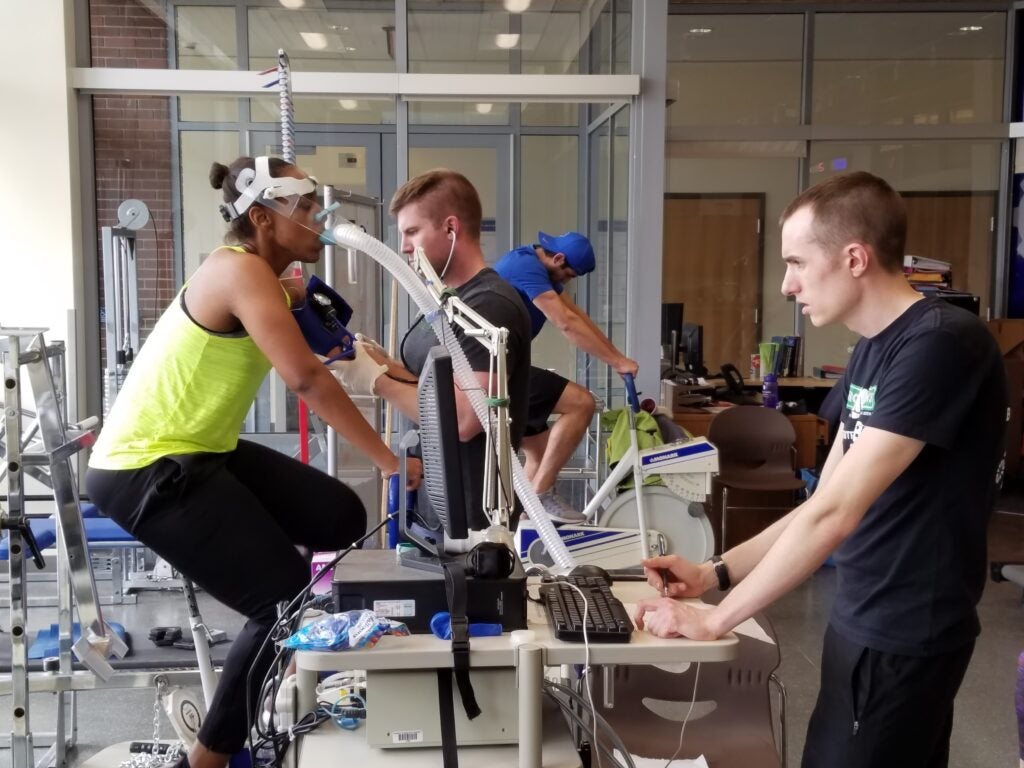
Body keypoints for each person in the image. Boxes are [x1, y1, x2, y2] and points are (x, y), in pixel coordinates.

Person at [634, 171, 1007, 768]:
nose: (787, 284)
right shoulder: (871, 350)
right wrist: (710, 575)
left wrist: (715, 621)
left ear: (854, 257)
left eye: (797, 263)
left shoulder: (940, 342)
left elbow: (836, 513)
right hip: (862, 616)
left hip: (906, 628)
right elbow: (819, 502)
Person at [86, 155, 421, 768]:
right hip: (148, 468)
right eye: (306, 208)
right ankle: (209, 759)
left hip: (203, 451)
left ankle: (270, 620)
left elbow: (299, 316)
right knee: (280, 602)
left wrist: (300, 298)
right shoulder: (239, 273)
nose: (319, 220)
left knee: (340, 516)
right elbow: (307, 381)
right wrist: (389, 463)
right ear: (263, 218)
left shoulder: (264, 276)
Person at [332, 168, 532, 532]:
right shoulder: (446, 303)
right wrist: (383, 364)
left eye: (412, 232)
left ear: (451, 229)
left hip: (471, 521)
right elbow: (434, 385)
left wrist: (379, 382)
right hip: (434, 506)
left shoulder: (487, 305)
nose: (404, 247)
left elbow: (466, 419)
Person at [493, 232, 638, 522]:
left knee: (542, 451)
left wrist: (617, 359)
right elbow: (565, 323)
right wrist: (616, 360)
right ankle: (543, 495)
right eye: (568, 274)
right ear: (557, 259)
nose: (567, 280)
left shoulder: (533, 263)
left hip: (505, 367)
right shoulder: (526, 267)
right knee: (581, 403)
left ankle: (522, 524)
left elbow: (577, 315)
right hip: (494, 370)